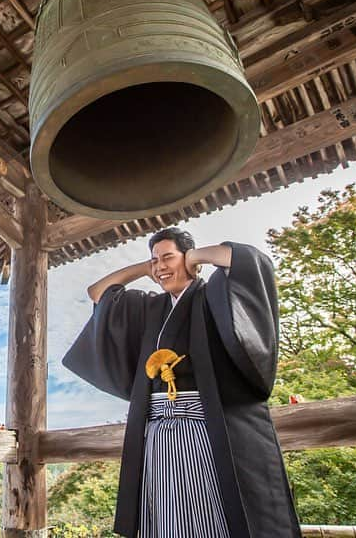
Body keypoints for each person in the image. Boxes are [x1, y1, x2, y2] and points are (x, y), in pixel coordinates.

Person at [62, 227, 299, 538]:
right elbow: (99, 292)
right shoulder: (150, 307)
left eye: (167, 257)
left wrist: (195, 256)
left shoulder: (213, 295)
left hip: (205, 427)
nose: (160, 266)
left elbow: (246, 261)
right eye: (154, 260)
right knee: (165, 515)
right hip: (157, 430)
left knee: (210, 511)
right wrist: (145, 268)